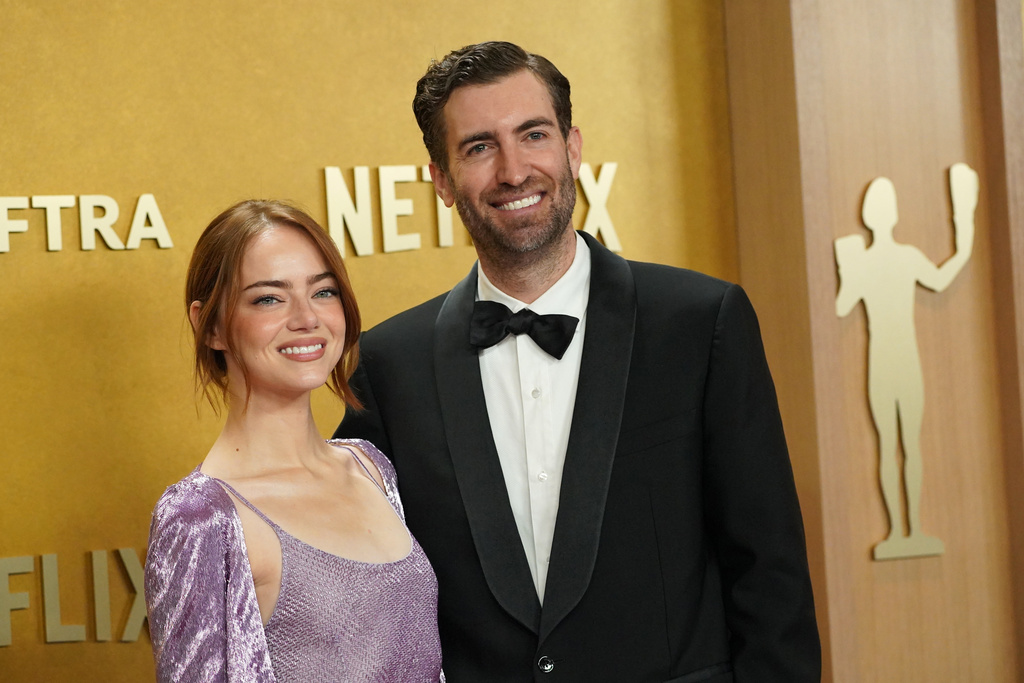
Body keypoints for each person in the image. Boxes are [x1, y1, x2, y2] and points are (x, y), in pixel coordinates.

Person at [335, 41, 820, 682]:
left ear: (572, 147)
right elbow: (357, 586)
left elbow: (770, 574)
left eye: (533, 135)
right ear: (443, 181)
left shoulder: (701, 322)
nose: (513, 171)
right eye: (479, 146)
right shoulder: (389, 365)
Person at [144, 200, 444, 682]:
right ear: (211, 325)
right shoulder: (202, 516)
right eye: (269, 298)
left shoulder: (371, 467)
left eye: (323, 292)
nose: (307, 318)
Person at [835, 163, 977, 560]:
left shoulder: (884, 259)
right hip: (892, 360)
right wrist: (963, 237)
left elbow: (845, 302)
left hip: (891, 359)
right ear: (891, 214)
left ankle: (906, 530)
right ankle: (901, 530)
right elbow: (844, 303)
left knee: (896, 445)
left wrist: (849, 268)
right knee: (899, 445)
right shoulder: (885, 258)